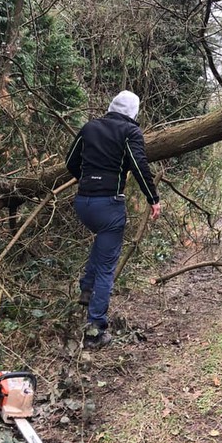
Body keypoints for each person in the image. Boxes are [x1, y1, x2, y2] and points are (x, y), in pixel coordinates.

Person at [65, 90, 161, 348]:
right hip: (109, 206)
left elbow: (70, 162)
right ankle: (96, 329)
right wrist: (153, 198)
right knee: (107, 267)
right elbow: (140, 166)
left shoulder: (89, 128)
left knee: (101, 243)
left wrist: (88, 179)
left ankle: (86, 288)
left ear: (111, 107)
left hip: (83, 203)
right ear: (134, 112)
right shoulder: (130, 132)